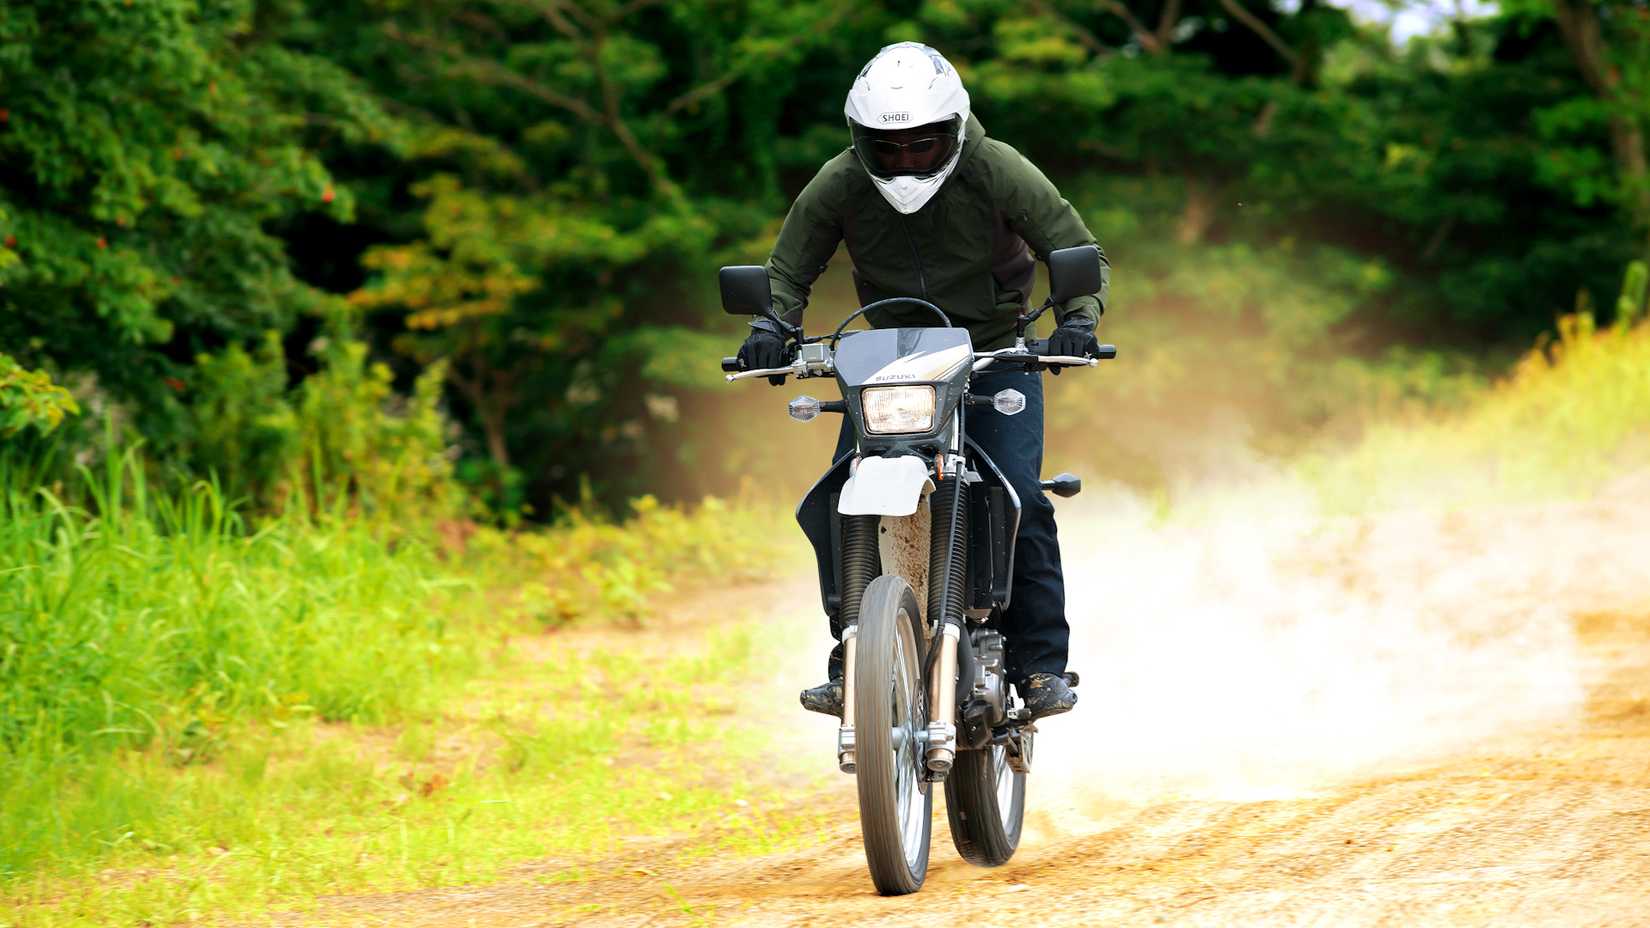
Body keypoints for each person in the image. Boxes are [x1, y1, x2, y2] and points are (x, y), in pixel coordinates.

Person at [736, 42, 1109, 722]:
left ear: (954, 130)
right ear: (862, 141)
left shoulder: (997, 169)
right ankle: (855, 653)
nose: (905, 160)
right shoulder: (840, 181)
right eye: (888, 147)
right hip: (887, 361)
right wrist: (771, 324)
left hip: (996, 352)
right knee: (838, 492)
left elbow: (1072, 247)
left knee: (1020, 495)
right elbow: (787, 269)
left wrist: (1078, 320)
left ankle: (1040, 665)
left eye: (922, 144)